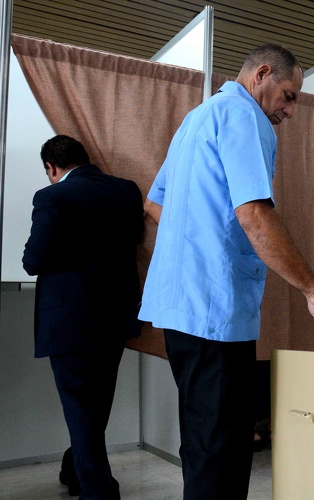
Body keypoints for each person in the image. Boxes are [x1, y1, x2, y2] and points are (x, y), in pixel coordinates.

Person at [138, 44, 314, 499]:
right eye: (288, 96)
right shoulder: (244, 116)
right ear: (262, 75)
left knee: (202, 442)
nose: (290, 110)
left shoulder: (195, 120)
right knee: (225, 453)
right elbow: (254, 213)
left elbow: (155, 204)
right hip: (214, 313)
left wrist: (199, 239)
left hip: (179, 311)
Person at [22, 135, 143, 498]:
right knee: (96, 405)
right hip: (116, 316)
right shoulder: (126, 190)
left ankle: (100, 491)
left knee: (79, 408)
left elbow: (33, 261)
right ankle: (74, 469)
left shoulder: (52, 197)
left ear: (52, 167)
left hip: (69, 321)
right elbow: (136, 238)